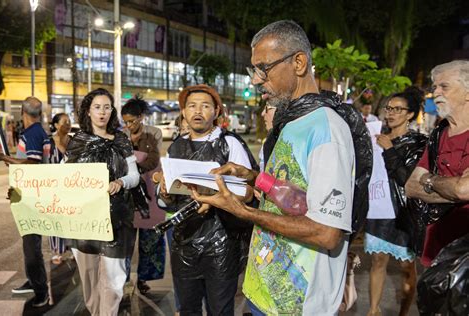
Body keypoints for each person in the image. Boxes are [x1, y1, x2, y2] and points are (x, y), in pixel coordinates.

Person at [192, 20, 357, 315]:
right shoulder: (291, 122)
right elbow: (294, 193)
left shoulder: (327, 130)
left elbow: (327, 232)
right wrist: (254, 178)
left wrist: (243, 212)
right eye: (253, 70)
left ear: (299, 62)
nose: (256, 80)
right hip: (262, 291)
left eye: (263, 68)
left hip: (298, 304)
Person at [156, 84, 258, 316]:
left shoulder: (229, 143)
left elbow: (246, 191)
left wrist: (213, 199)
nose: (197, 111)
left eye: (205, 106)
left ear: (216, 112)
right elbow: (168, 199)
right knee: (188, 308)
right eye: (191, 106)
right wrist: (163, 192)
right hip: (185, 243)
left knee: (220, 310)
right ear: (183, 112)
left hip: (221, 244)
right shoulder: (176, 147)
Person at [64, 88, 140, 316]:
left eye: (107, 107)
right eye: (97, 107)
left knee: (114, 282)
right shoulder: (77, 142)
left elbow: (134, 176)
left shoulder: (121, 141)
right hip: (84, 222)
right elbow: (59, 177)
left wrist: (120, 182)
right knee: (89, 281)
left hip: (116, 220)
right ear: (88, 111)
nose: (102, 112)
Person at [364, 87, 427, 316]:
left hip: (402, 212)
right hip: (377, 209)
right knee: (377, 260)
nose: (390, 113)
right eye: (388, 108)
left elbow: (406, 178)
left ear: (410, 114)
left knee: (406, 266)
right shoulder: (375, 136)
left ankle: (403, 312)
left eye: (397, 109)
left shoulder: (418, 142)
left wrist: (389, 150)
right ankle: (373, 310)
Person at [405, 60, 469, 267]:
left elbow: (463, 190)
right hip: (433, 252)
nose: (436, 92)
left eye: (445, 86)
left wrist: (428, 179)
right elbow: (411, 187)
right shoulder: (439, 132)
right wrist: (451, 188)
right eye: (435, 87)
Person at [0, 97, 51, 307]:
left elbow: (33, 162)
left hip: (34, 198)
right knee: (30, 244)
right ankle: (33, 280)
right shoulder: (37, 132)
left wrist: (5, 158)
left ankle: (41, 291)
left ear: (22, 113)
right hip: (30, 193)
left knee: (31, 247)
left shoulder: (33, 133)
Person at [121, 97, 165, 295]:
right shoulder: (120, 136)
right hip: (128, 191)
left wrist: (133, 162)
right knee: (125, 239)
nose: (128, 125)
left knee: (150, 239)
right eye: (125, 121)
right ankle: (123, 278)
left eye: (132, 121)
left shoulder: (154, 133)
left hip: (148, 189)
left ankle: (144, 278)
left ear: (141, 117)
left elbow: (154, 160)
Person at [48, 113, 72, 265]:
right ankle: (57, 251)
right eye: (64, 122)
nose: (68, 124)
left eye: (69, 121)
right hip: (54, 187)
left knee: (71, 217)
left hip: (71, 186)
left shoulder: (73, 141)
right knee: (55, 218)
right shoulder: (48, 142)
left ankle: (72, 248)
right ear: (56, 125)